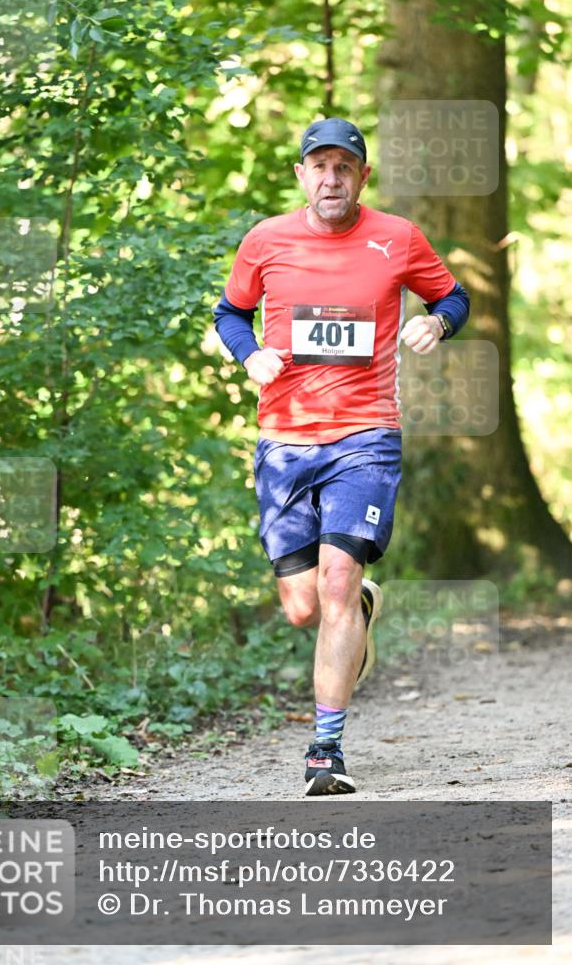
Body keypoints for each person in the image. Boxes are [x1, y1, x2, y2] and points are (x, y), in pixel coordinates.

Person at [213, 117, 470, 797]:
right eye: (318, 166)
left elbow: (452, 294)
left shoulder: (397, 237)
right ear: (300, 174)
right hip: (284, 441)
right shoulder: (265, 239)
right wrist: (251, 355)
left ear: (361, 175)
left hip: (364, 437)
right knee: (303, 606)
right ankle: (358, 603)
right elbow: (228, 313)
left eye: (343, 167)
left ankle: (325, 751)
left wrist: (436, 320)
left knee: (331, 586)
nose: (330, 178)